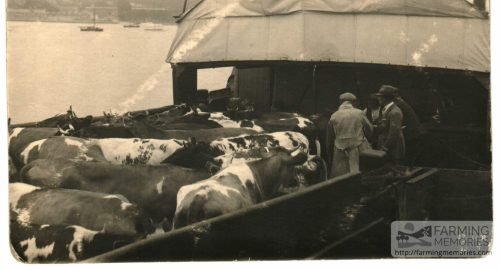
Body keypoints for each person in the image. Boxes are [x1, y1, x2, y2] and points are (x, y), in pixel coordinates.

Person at [326, 92, 373, 177]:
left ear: (340, 102)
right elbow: (370, 129)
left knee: (340, 175)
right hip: (359, 147)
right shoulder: (360, 113)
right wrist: (367, 137)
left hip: (339, 148)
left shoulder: (334, 115)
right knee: (363, 171)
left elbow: (330, 136)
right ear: (353, 102)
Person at [375, 85, 405, 168]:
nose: (378, 99)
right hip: (389, 149)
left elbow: (394, 133)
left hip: (393, 150)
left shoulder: (395, 112)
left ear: (385, 98)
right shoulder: (386, 109)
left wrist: (384, 148)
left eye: (380, 97)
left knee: (395, 171)